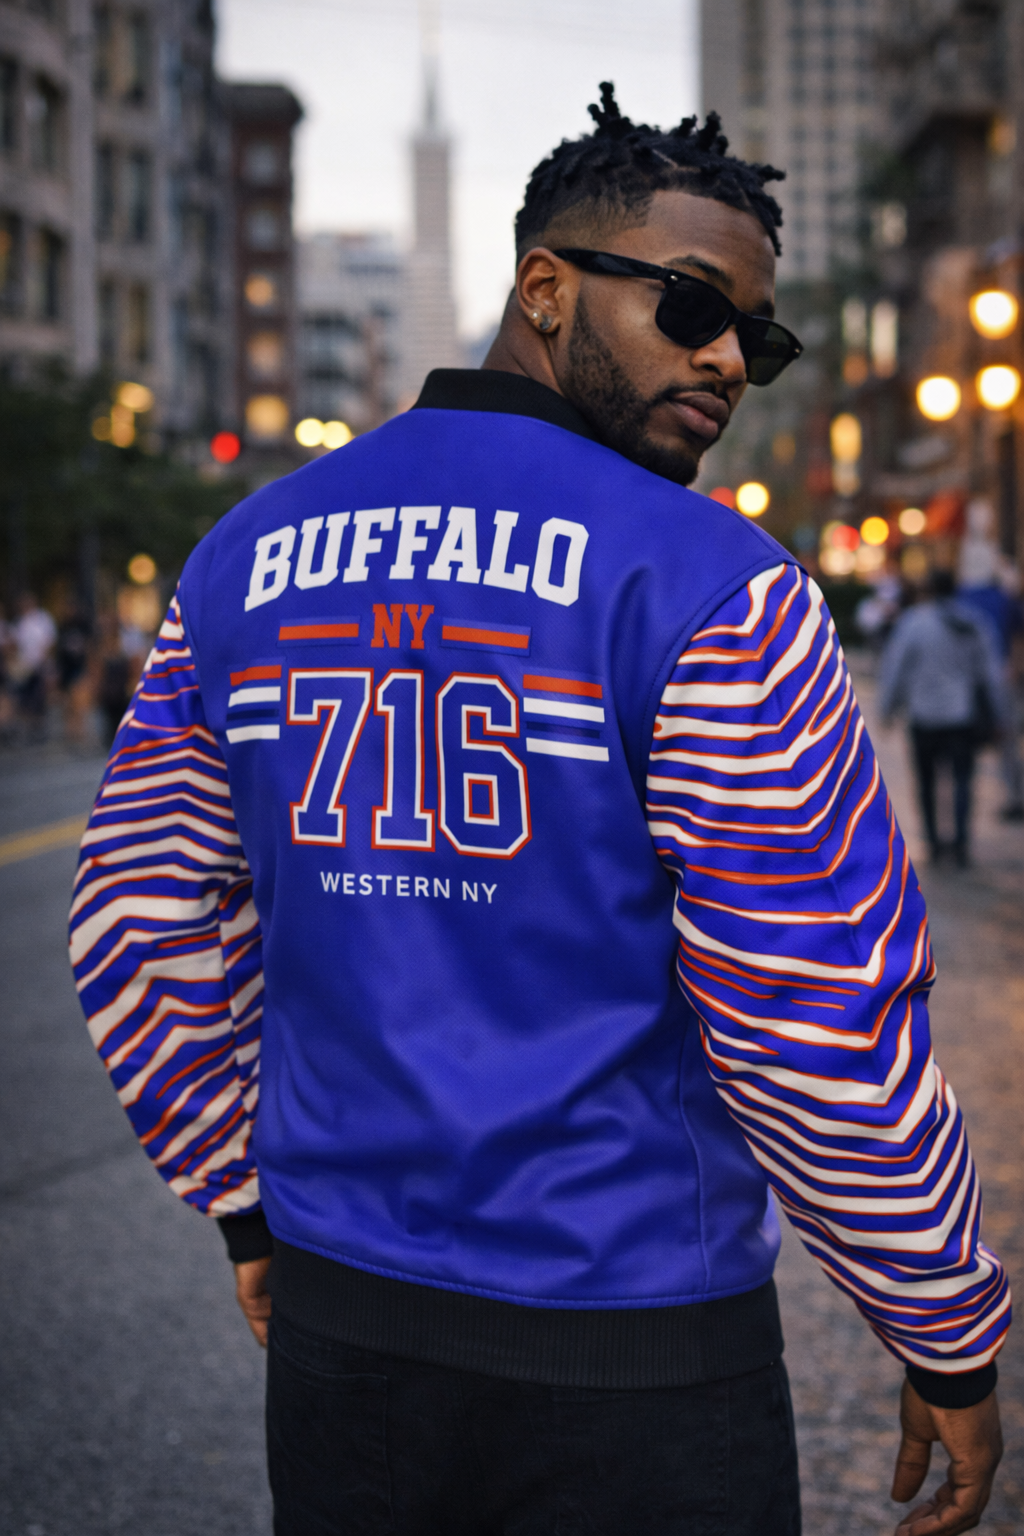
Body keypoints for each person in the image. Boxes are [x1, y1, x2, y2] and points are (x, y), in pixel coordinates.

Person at [70, 86, 1006, 1536]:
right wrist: (941, 1316)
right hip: (636, 1355)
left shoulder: (243, 558)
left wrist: (242, 1198)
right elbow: (814, 1013)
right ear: (546, 287)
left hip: (345, 1339)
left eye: (757, 335)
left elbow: (135, 919)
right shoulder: (713, 587)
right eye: (692, 306)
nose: (726, 360)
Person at [880, 569, 1007, 866]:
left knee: (926, 782)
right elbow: (990, 674)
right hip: (961, 715)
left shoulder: (913, 623)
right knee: (963, 779)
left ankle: (934, 843)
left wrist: (887, 709)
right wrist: (999, 715)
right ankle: (961, 842)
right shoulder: (973, 622)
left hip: (924, 716)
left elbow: (896, 668)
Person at [10, 592, 56, 739]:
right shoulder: (21, 622)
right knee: (23, 696)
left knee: (41, 694)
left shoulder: (42, 618)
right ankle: (28, 728)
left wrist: (43, 661)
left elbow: (49, 642)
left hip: (41, 665)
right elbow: (16, 645)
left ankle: (41, 726)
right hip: (26, 667)